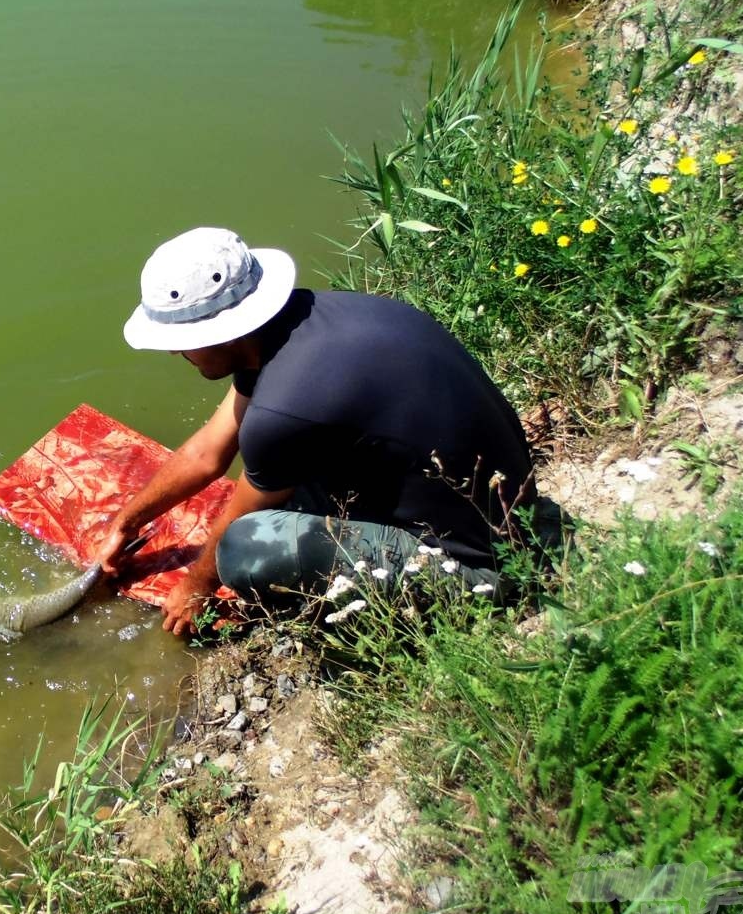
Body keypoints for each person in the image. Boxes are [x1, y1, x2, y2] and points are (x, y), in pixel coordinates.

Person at [96, 226, 537, 636]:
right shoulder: (307, 321)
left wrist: (195, 586)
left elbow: (240, 522)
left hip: (483, 570)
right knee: (292, 474)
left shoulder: (282, 410)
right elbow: (207, 453)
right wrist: (127, 523)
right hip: (521, 513)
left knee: (244, 551)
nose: (175, 351)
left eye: (180, 339)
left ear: (222, 334)